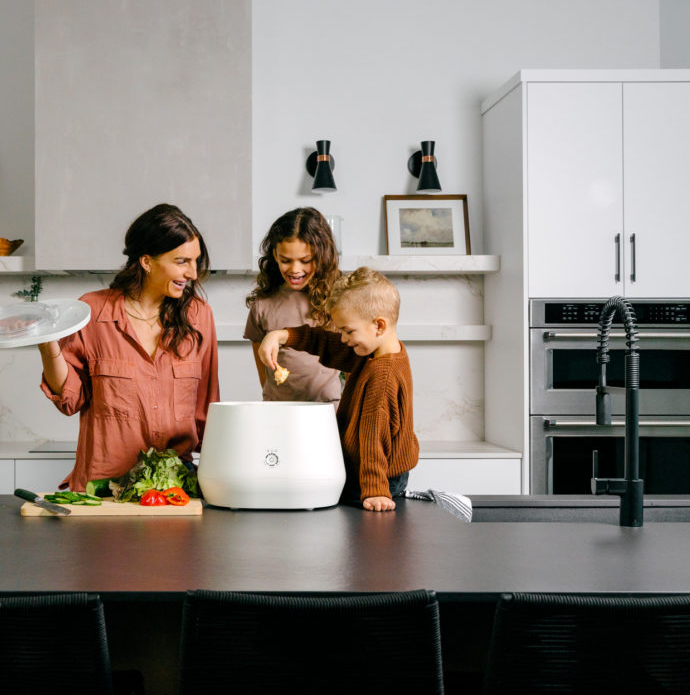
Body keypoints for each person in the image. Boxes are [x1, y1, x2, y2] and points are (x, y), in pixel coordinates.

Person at [38, 204, 220, 490]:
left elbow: (208, 410)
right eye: (182, 261)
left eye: (196, 261)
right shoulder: (92, 311)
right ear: (147, 262)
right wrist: (47, 344)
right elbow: (70, 399)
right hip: (105, 488)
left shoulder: (199, 316)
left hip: (175, 489)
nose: (193, 273)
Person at [257, 267, 418, 512]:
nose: (343, 338)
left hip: (375, 477)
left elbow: (373, 437)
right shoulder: (374, 351)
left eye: (348, 330)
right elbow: (326, 342)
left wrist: (375, 490)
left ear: (379, 325)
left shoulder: (381, 375)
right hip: (373, 471)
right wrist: (281, 336)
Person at [243, 207, 342, 403]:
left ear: (321, 256)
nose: (295, 270)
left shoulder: (337, 299)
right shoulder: (263, 304)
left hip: (327, 410)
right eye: (286, 260)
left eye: (305, 260)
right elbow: (263, 368)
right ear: (275, 255)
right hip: (279, 410)